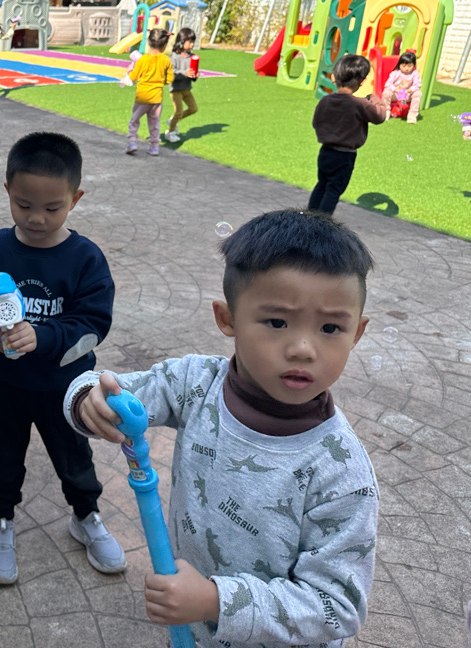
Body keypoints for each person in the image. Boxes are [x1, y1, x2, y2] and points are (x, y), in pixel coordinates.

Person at [65, 208, 379, 648]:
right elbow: (110, 388)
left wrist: (217, 602)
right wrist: (88, 399)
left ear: (357, 333)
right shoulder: (195, 385)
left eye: (331, 327)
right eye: (277, 322)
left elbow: (337, 606)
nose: (303, 348)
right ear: (227, 318)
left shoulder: (341, 472)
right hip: (192, 628)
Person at [0, 132, 126, 586]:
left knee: (74, 454)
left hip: (65, 387)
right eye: (24, 204)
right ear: (8, 190)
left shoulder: (85, 259)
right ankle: (1, 520)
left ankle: (86, 515)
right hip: (3, 383)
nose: (36, 218)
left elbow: (93, 324)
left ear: (75, 199)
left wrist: (44, 337)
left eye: (52, 208)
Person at [307, 54, 388, 215]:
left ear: (334, 77)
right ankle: (322, 222)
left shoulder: (325, 101)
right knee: (334, 190)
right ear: (362, 81)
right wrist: (375, 99)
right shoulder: (361, 104)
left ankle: (309, 217)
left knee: (322, 184)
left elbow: (316, 122)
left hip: (325, 152)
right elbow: (380, 116)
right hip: (345, 156)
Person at [125, 28, 173, 155]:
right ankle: (154, 147)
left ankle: (132, 142)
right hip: (156, 98)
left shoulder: (143, 60)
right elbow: (169, 79)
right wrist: (159, 81)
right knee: (154, 123)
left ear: (149, 42)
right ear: (164, 45)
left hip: (142, 97)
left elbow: (133, 77)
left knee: (134, 120)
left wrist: (129, 70)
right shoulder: (166, 60)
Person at [166, 27, 199, 143]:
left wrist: (195, 75)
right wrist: (185, 73)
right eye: (189, 42)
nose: (192, 45)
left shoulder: (192, 57)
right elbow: (171, 74)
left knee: (193, 109)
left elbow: (193, 76)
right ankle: (170, 133)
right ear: (181, 41)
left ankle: (172, 120)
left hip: (187, 89)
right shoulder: (173, 57)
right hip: (176, 90)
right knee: (178, 111)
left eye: (193, 42)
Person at [382, 51, 421, 123]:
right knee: (386, 92)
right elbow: (388, 84)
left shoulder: (414, 73)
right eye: (404, 66)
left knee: (418, 93)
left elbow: (417, 84)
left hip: (407, 94)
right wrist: (396, 90)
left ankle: (412, 114)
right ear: (399, 65)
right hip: (396, 94)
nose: (406, 68)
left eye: (409, 66)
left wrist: (409, 91)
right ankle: (386, 111)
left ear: (414, 65)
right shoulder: (395, 73)